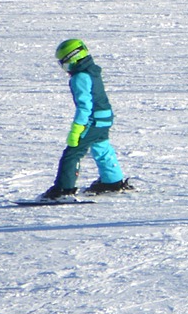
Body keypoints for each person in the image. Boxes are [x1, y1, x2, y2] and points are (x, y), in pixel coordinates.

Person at [40, 38, 132, 199]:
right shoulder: (92, 71)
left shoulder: (80, 77)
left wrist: (77, 129)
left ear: (73, 58)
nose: (64, 67)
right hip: (105, 116)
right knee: (101, 147)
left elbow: (84, 107)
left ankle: (64, 189)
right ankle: (112, 181)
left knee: (73, 153)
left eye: (64, 62)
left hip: (93, 119)